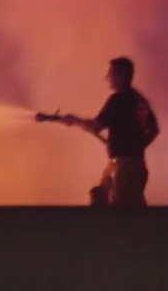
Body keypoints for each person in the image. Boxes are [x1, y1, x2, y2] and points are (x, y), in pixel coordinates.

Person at [53, 56, 161, 207]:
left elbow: (97, 126)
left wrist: (75, 120)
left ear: (121, 75)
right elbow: (154, 130)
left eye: (110, 73)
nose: (107, 77)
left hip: (124, 167)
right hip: (129, 164)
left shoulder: (119, 99)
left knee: (126, 210)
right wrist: (137, 146)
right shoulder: (138, 99)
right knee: (102, 197)